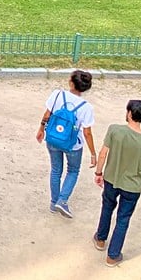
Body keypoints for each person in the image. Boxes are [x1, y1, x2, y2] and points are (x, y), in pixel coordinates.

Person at [93, 100, 141, 266]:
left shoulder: (115, 130)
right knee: (123, 219)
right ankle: (113, 255)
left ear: (129, 113)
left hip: (111, 179)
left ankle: (101, 239)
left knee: (107, 207)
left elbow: (103, 154)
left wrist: (99, 172)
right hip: (132, 186)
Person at [36, 70, 96, 218]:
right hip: (72, 144)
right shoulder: (86, 107)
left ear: (71, 83)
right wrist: (93, 153)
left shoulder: (57, 94)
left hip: (53, 138)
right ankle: (62, 200)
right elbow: (87, 133)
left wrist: (41, 129)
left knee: (56, 170)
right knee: (73, 171)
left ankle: (53, 202)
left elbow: (47, 114)